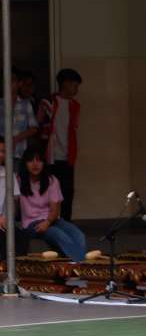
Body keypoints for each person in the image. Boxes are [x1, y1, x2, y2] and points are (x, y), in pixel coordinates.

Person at [16, 143, 87, 262]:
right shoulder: (18, 180)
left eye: (39, 160)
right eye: (31, 160)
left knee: (78, 235)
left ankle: (76, 263)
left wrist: (47, 222)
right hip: (31, 224)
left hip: (51, 220)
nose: (35, 164)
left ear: (44, 163)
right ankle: (79, 264)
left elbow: (55, 210)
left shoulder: (52, 180)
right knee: (57, 233)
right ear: (25, 163)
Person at [39, 68, 82, 221]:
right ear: (65, 83)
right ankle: (47, 221)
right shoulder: (48, 102)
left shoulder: (75, 105)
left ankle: (66, 222)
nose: (76, 89)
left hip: (67, 155)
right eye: (75, 85)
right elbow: (39, 123)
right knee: (49, 190)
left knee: (68, 191)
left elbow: (73, 129)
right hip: (50, 155)